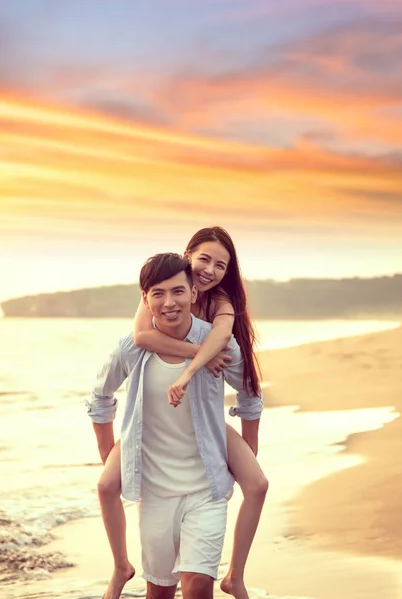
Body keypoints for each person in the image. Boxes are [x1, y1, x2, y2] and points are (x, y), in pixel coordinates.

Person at [96, 227, 268, 599]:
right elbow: (110, 383)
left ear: (192, 292)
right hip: (155, 481)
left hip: (204, 476)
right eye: (203, 259)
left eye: (220, 265)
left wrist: (249, 449)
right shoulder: (142, 327)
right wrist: (110, 452)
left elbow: (249, 389)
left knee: (197, 583)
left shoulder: (221, 314)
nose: (169, 301)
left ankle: (234, 575)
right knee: (158, 589)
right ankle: (120, 567)